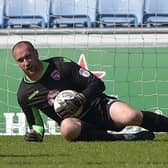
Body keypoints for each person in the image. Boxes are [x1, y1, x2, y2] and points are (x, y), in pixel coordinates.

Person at [12, 40, 168, 142]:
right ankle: (123, 138)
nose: (26, 63)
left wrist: (80, 99)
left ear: (36, 53)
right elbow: (36, 125)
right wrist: (35, 134)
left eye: (28, 57)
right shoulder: (24, 95)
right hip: (79, 124)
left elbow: (97, 84)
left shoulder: (60, 65)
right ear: (17, 63)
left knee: (131, 115)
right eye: (21, 60)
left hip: (99, 107)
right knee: (67, 129)